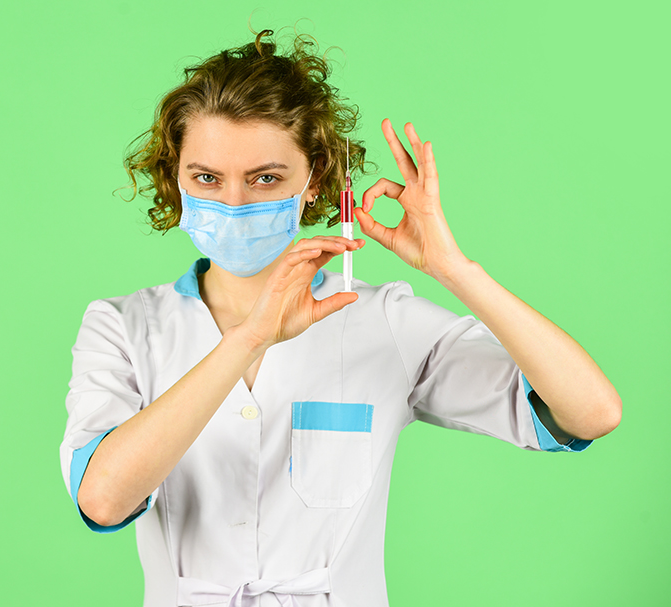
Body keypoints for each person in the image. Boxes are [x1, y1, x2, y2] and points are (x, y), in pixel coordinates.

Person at [59, 28, 621, 607]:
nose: (233, 202)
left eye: (266, 178)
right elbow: (102, 500)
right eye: (207, 178)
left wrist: (455, 270)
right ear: (175, 176)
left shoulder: (383, 322)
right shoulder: (123, 326)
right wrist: (250, 339)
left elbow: (592, 412)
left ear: (314, 180)